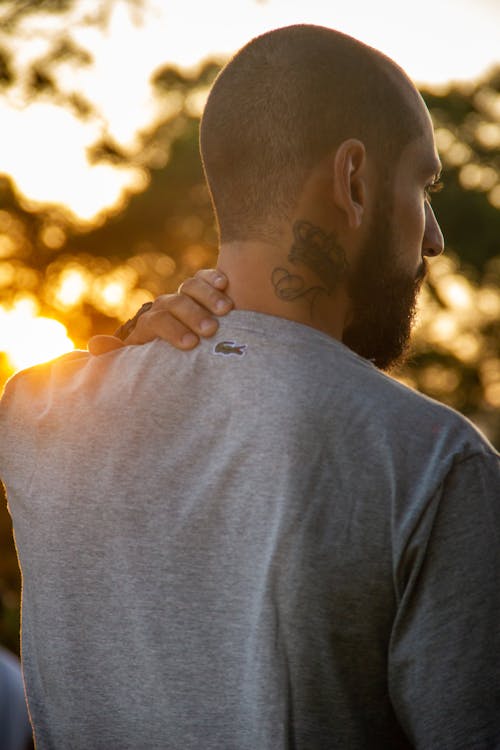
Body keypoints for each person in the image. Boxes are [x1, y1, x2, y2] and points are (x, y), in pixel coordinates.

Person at [0, 24, 499, 750]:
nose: (433, 237)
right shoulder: (433, 464)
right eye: (423, 186)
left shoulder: (35, 415)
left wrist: (125, 358)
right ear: (353, 181)